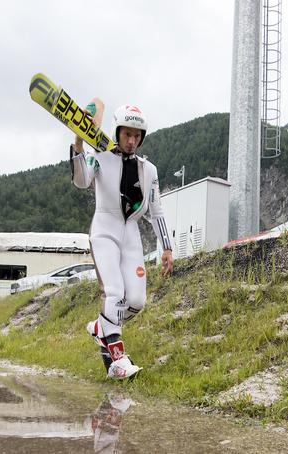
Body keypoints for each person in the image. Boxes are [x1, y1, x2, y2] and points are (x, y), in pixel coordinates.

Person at [71, 101, 173, 379]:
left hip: (131, 232)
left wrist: (167, 247)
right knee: (114, 292)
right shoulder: (99, 157)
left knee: (137, 300)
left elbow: (156, 210)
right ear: (117, 133)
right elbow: (81, 180)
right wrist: (79, 142)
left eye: (137, 136)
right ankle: (117, 361)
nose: (132, 141)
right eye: (127, 134)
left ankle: (101, 327)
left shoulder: (148, 170)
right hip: (104, 228)